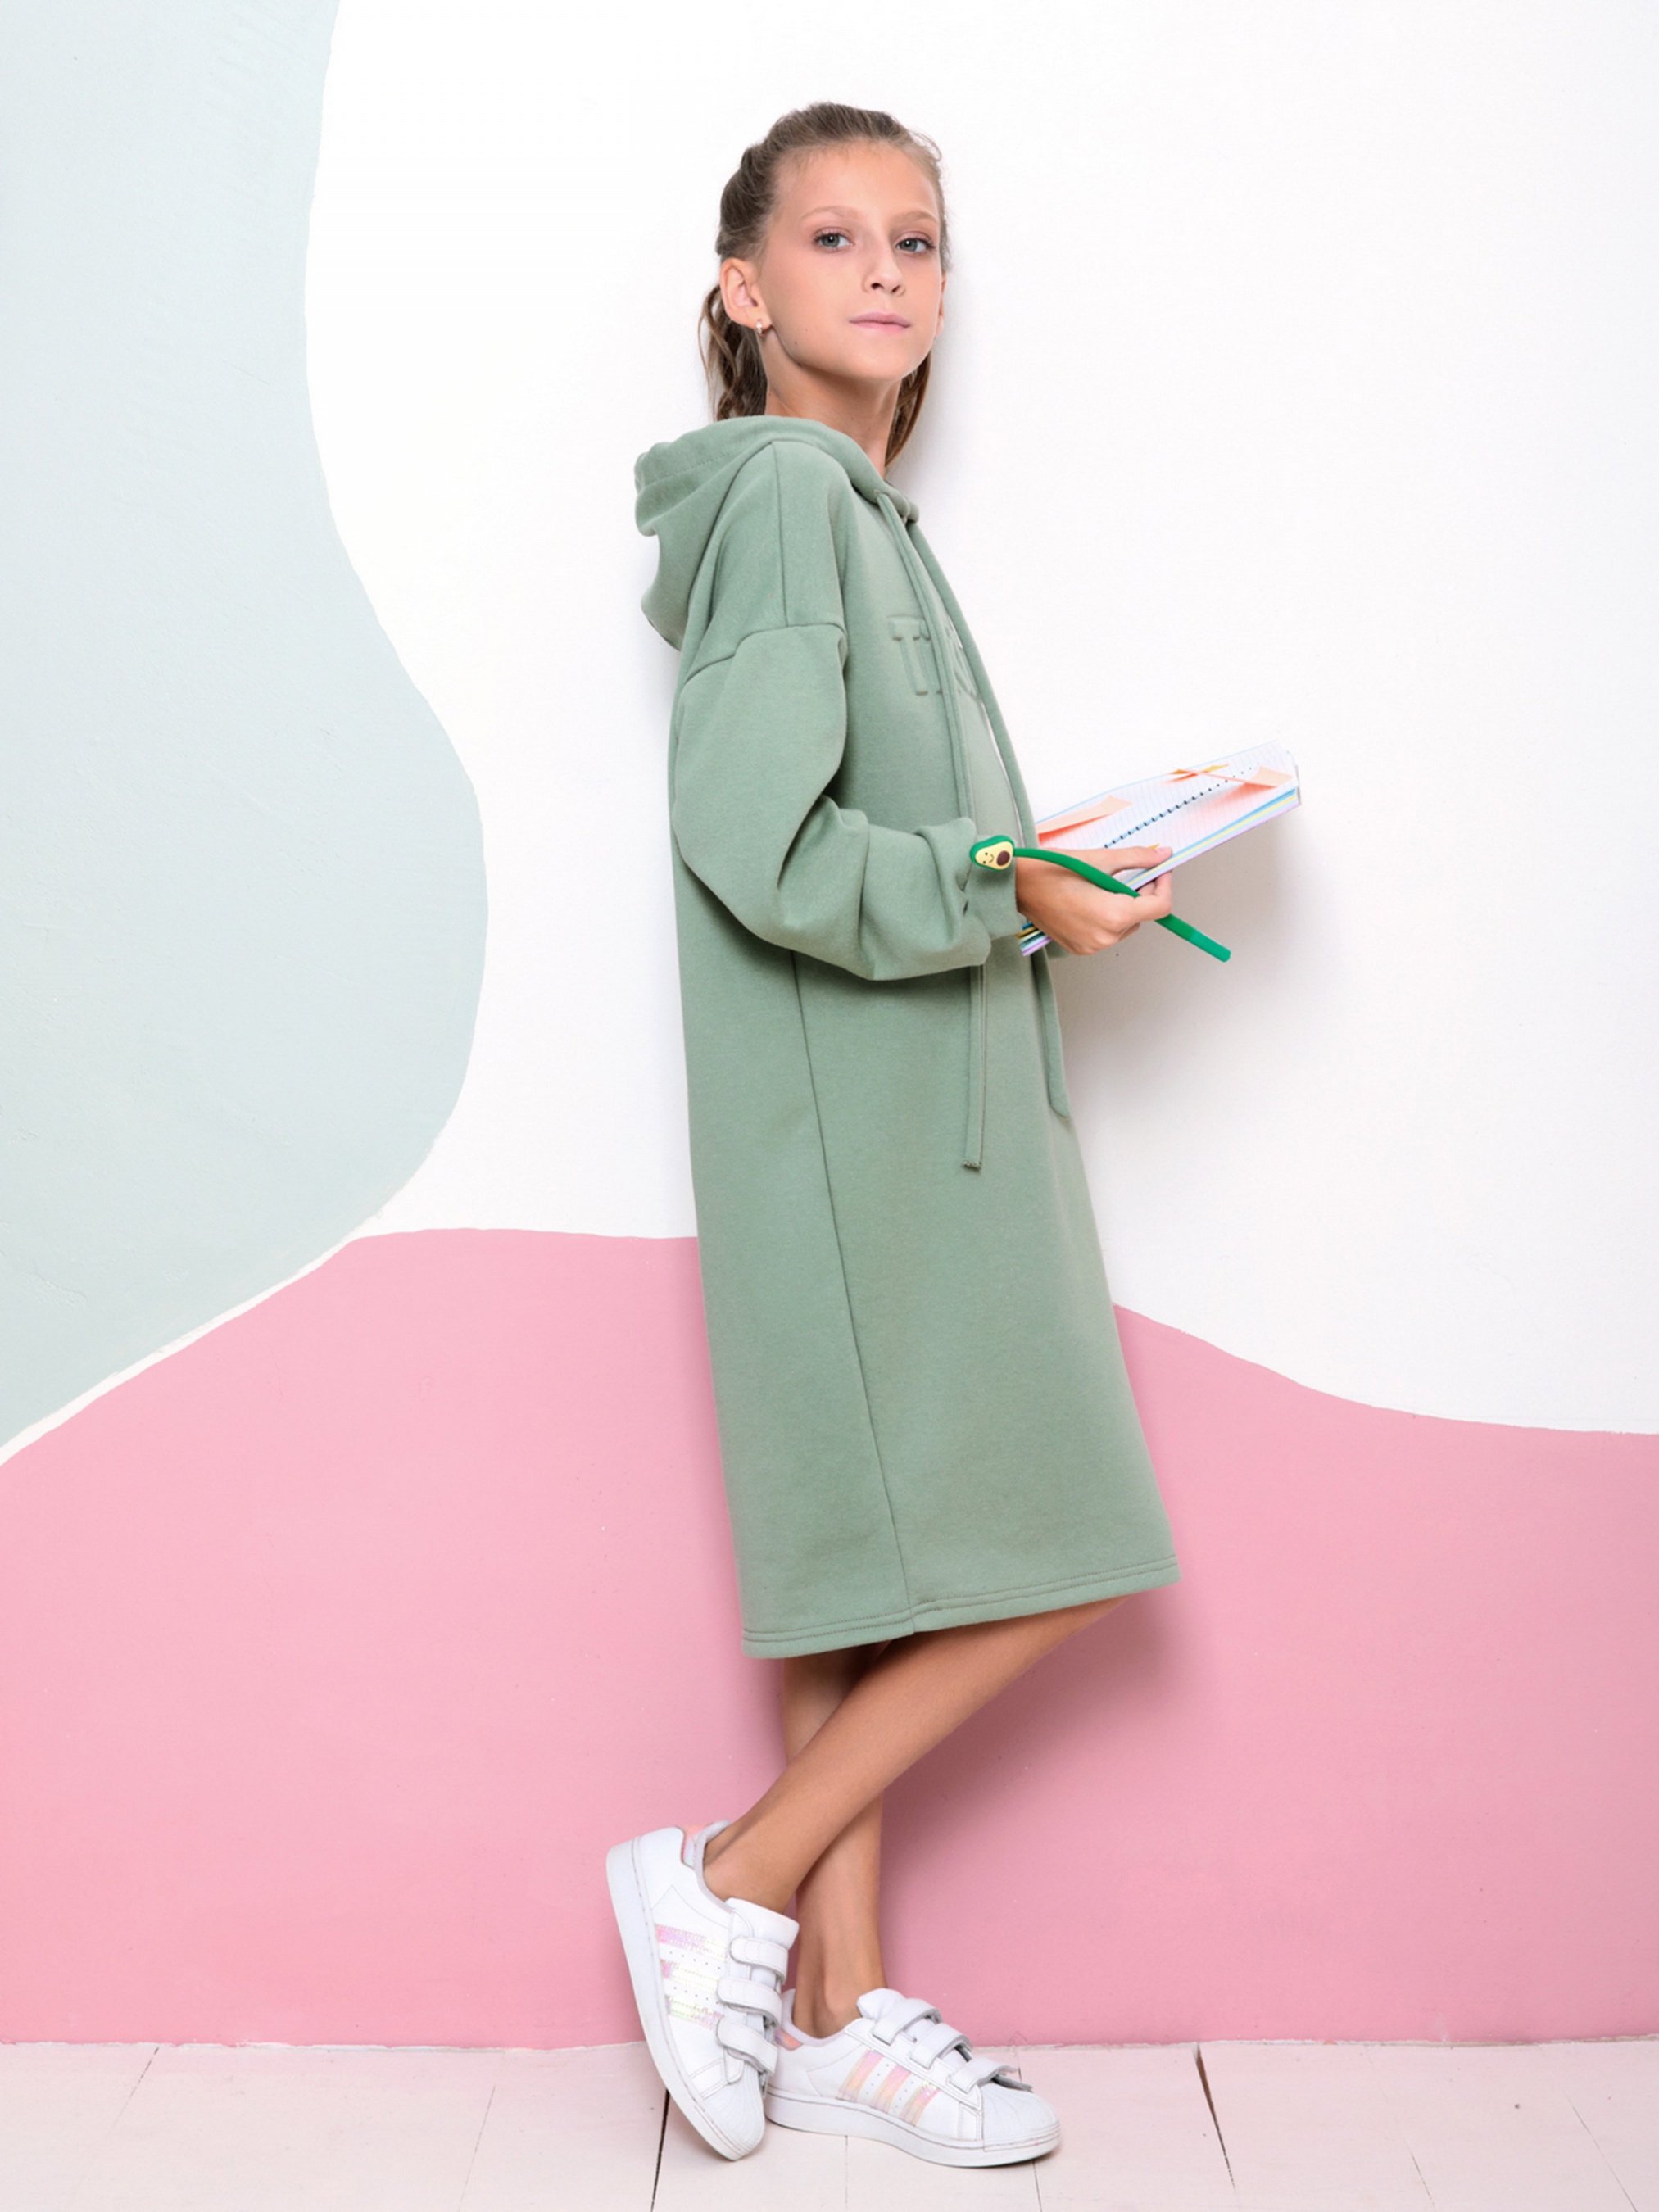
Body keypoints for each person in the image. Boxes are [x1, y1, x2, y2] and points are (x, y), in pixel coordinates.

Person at [605, 100, 1182, 2170]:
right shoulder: (788, 493)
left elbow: (848, 834)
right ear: (742, 286)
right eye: (832, 236)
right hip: (851, 1125)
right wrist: (997, 880)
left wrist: (1039, 874)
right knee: (1064, 1547)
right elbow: (754, 843)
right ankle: (729, 1881)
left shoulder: (852, 515)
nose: (882, 271)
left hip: (870, 1112)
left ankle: (840, 2014)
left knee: (861, 1574)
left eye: (915, 240)